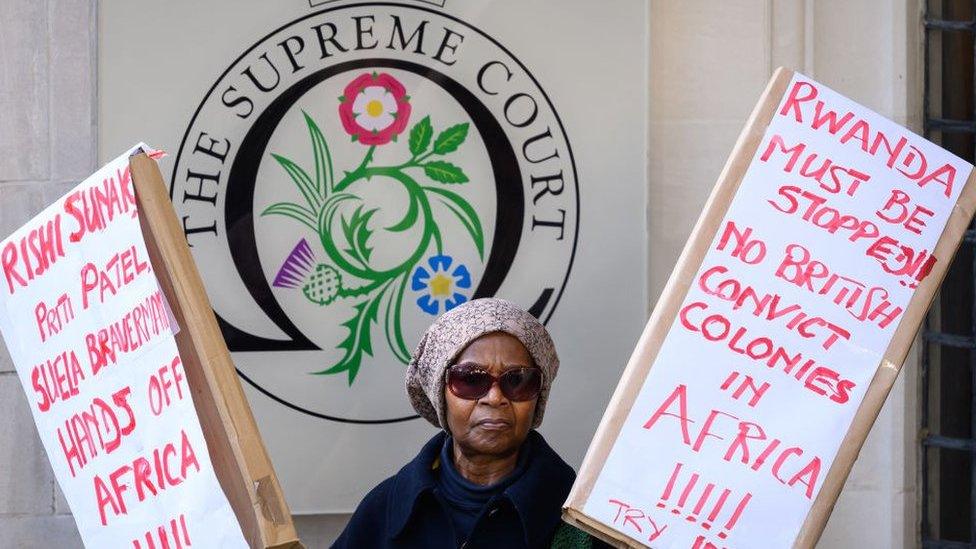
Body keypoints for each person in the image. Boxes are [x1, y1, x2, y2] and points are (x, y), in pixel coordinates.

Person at [332, 298, 607, 548]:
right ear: (440, 394)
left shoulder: (581, 523)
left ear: (538, 397)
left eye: (518, 380)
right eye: (471, 379)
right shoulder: (383, 511)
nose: (495, 398)